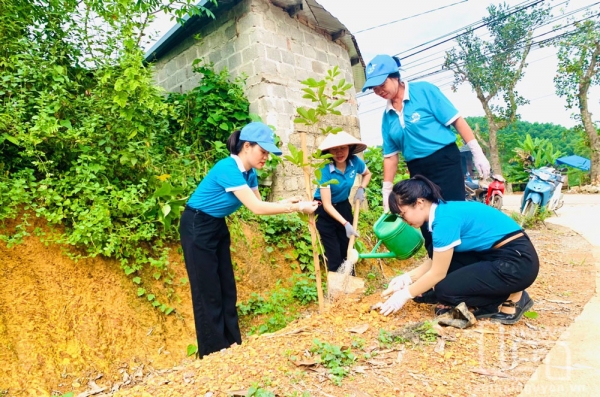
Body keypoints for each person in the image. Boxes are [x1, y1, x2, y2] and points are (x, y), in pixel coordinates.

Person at [179, 122, 318, 358]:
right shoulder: (227, 168)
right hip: (196, 225)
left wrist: (291, 203)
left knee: (226, 287)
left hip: (216, 224)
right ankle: (212, 353)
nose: (265, 157)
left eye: (268, 153)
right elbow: (256, 209)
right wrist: (297, 209)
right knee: (208, 291)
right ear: (246, 146)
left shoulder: (249, 173)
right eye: (262, 151)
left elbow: (261, 201)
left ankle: (232, 346)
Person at [362, 54, 491, 252]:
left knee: (449, 214)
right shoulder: (387, 117)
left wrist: (476, 151)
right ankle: (436, 265)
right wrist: (386, 190)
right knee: (423, 215)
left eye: (381, 83)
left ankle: (462, 261)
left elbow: (457, 120)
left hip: (445, 161)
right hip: (418, 170)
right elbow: (390, 156)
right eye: (373, 88)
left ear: (394, 76)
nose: (378, 90)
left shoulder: (424, 91)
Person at [379, 175, 539, 325]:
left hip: (517, 264)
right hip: (500, 256)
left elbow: (437, 272)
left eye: (403, 213)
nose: (404, 220)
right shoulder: (443, 212)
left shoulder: (444, 221)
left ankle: (511, 296)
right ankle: (485, 301)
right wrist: (407, 278)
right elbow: (439, 261)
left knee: (445, 290)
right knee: (444, 262)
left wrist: (405, 295)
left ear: (419, 203)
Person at [313, 131, 372, 272]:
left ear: (349, 148)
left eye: (343, 148)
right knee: (333, 252)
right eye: (334, 149)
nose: (339, 152)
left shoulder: (355, 162)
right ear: (329, 151)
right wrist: (345, 223)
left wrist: (361, 188)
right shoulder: (324, 170)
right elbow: (327, 205)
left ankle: (349, 280)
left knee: (348, 247)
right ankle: (337, 290)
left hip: (343, 206)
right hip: (324, 210)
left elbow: (367, 173)